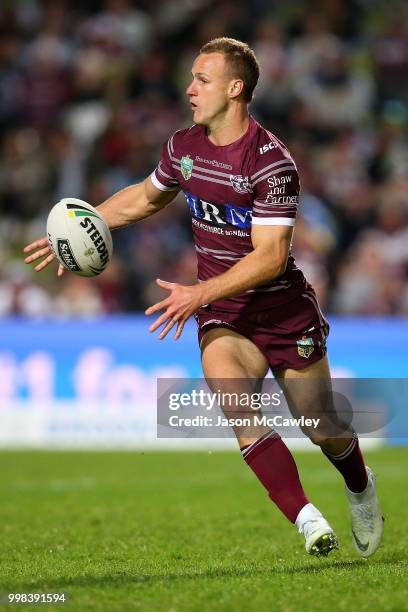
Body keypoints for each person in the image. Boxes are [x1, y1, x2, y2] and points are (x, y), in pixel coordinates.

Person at [24, 37, 383, 558]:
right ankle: (308, 521)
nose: (189, 90)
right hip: (225, 314)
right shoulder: (183, 147)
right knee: (240, 412)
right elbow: (147, 197)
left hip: (281, 310)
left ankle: (360, 486)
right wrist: (86, 227)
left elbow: (272, 257)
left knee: (321, 427)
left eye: (202, 80)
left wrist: (198, 293)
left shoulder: (271, 163)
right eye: (191, 78)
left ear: (235, 89)